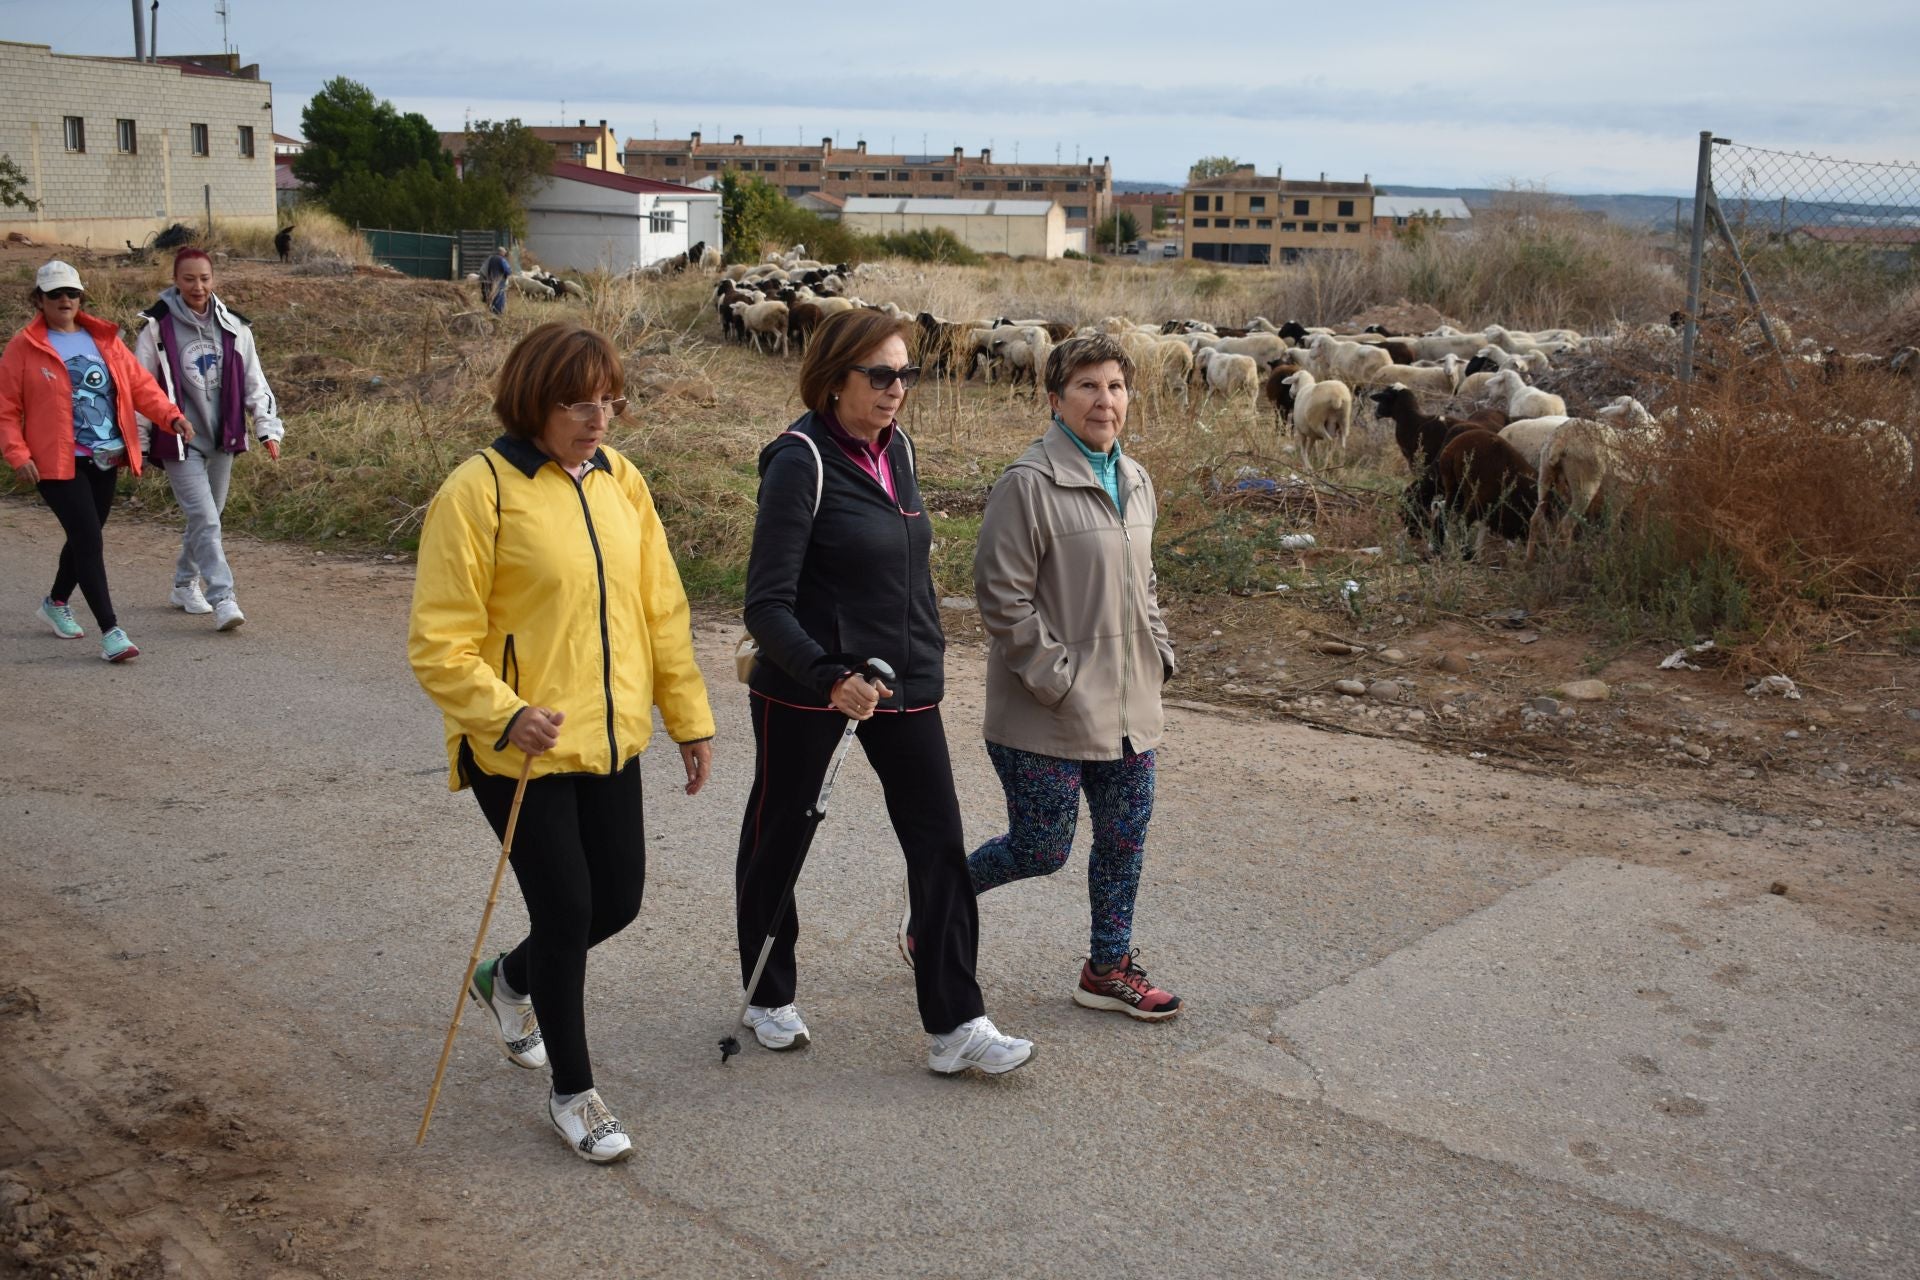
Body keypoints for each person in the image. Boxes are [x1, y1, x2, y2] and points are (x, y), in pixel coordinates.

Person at [408, 321, 715, 1163]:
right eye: (577, 402)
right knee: (568, 906)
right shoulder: (479, 490)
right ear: (533, 402)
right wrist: (503, 713)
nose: (597, 418)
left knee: (617, 901)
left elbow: (662, 609)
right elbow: (439, 640)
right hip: (517, 750)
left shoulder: (623, 482)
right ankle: (575, 1096)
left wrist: (686, 716)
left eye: (609, 400)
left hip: (611, 738)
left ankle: (508, 979)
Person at [736, 308, 1034, 1076]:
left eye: (906, 373)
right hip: (810, 687)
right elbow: (765, 604)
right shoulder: (799, 460)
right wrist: (830, 674)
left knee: (937, 846)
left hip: (904, 682)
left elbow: (905, 563)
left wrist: (925, 652)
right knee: (782, 835)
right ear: (834, 380)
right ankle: (768, 994)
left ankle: (957, 1023)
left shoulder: (896, 447)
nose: (897, 389)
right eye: (880, 374)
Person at [959, 334, 1183, 1020]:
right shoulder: (1027, 484)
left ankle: (1107, 968)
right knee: (1041, 848)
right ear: (1055, 399)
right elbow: (1002, 598)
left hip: (1129, 706)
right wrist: (1057, 679)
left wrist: (1160, 652)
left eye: (1115, 386)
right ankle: (939, 902)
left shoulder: (1137, 479)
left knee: (1123, 839)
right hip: (1047, 709)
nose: (1104, 400)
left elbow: (1142, 581)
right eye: (1087, 386)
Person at [0, 260, 191, 662]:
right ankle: (111, 631)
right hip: (55, 462)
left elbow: (139, 384)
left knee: (85, 536)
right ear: (39, 299)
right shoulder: (24, 346)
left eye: (71, 293)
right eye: (55, 294)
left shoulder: (102, 338)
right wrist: (17, 453)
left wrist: (170, 416)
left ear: (81, 297)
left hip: (106, 456)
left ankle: (55, 601)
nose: (64, 300)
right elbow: (6, 408)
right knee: (88, 537)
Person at [133, 248, 286, 631]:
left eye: (204, 278)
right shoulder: (156, 328)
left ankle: (184, 584)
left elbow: (255, 380)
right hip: (178, 441)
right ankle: (223, 598)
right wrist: (140, 441)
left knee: (208, 519)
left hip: (222, 436)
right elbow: (140, 387)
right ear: (175, 280)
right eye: (188, 279)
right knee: (205, 518)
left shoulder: (235, 326)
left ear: (213, 279)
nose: (197, 286)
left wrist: (267, 426)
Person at [482, 245, 513, 316]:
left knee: (491, 295)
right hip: (499, 281)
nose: (505, 254)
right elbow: (507, 270)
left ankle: (490, 311)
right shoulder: (502, 259)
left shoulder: (491, 258)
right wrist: (510, 271)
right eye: (504, 252)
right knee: (499, 297)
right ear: (501, 252)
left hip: (490, 280)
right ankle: (498, 313)